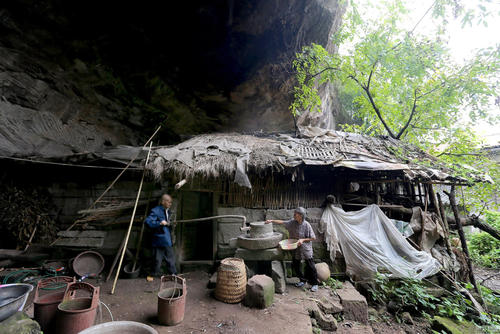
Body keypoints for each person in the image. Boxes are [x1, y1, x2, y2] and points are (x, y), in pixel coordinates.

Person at [265, 207, 319, 292]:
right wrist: (271, 221)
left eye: (295, 214)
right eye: (294, 213)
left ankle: (315, 283)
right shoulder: (292, 222)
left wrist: (303, 240)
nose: (294, 215)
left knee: (310, 266)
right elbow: (282, 222)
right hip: (295, 248)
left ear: (301, 216)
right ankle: (302, 280)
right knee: (295, 265)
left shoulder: (306, 225)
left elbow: (313, 238)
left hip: (305, 248)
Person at [145, 194, 177, 277]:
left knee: (170, 258)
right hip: (158, 239)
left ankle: (173, 274)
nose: (170, 204)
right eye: (169, 202)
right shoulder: (155, 210)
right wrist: (159, 223)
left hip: (166, 239)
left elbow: (167, 223)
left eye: (171, 202)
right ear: (163, 202)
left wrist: (171, 224)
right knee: (157, 259)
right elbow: (148, 222)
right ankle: (153, 275)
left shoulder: (168, 211)